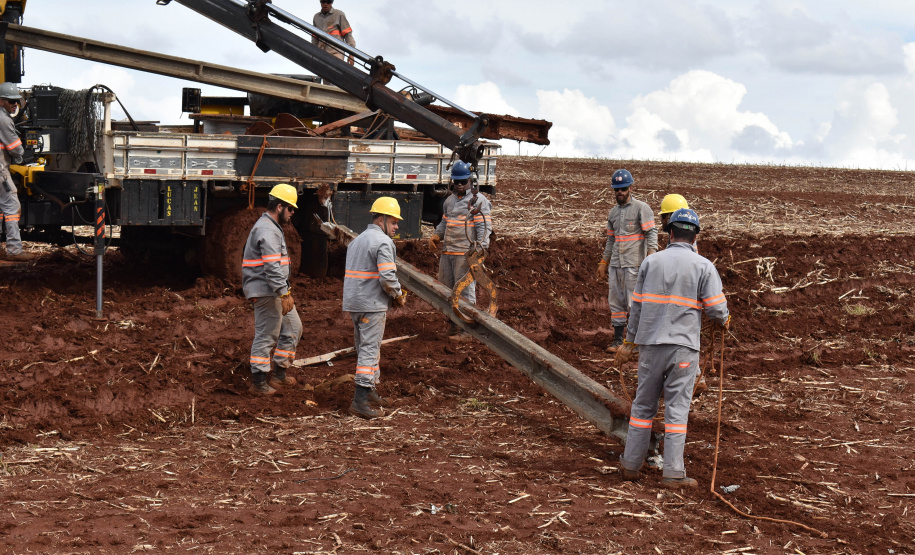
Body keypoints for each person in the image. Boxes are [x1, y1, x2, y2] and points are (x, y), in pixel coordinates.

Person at [615, 208, 730, 489]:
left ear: (670, 233)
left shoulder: (650, 263)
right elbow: (716, 309)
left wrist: (629, 343)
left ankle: (630, 465)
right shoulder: (704, 266)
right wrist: (725, 319)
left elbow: (637, 309)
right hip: (683, 348)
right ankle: (673, 473)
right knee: (677, 411)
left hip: (650, 347)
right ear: (695, 237)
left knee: (642, 407)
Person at [342, 196, 408, 419]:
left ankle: (370, 392)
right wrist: (398, 295)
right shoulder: (382, 242)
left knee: (365, 347)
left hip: (355, 303)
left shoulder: (358, 240)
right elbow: (388, 277)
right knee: (370, 349)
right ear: (381, 220)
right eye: (393, 222)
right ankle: (359, 401)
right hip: (372, 303)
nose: (397, 227)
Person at [242, 184, 303, 395]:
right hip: (267, 291)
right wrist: (283, 292)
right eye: (291, 209)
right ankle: (258, 383)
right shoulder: (268, 230)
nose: (292, 213)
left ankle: (278, 376)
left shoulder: (271, 227)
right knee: (266, 335)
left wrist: (283, 291)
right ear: (279, 207)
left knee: (293, 328)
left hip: (275, 291)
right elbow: (271, 266)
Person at [428, 160, 492, 338]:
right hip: (448, 251)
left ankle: (467, 329)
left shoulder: (478, 201)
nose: (460, 185)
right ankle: (454, 325)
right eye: (456, 182)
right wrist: (436, 236)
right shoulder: (449, 201)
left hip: (465, 254)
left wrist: (480, 251)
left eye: (463, 182)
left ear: (471, 180)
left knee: (463, 291)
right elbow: (444, 223)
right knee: (447, 290)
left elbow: (483, 229)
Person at [597, 169, 657, 352]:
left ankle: (636, 343)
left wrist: (651, 257)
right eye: (616, 189)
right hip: (616, 265)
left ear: (631, 187)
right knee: (616, 303)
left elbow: (651, 233)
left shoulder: (642, 208)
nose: (620, 192)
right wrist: (604, 262)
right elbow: (610, 240)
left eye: (623, 189)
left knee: (635, 304)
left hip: (634, 265)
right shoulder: (613, 213)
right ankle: (617, 341)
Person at [0, 82, 34, 262]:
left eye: (16, 101)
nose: (14, 105)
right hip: (0, 172)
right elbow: (16, 149)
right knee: (12, 206)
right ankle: (14, 249)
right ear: (1, 101)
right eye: (10, 101)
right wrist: (22, 154)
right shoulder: (3, 119)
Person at [312, 0, 356, 65]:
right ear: (320, 2)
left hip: (336, 52)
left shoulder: (339, 14)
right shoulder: (316, 17)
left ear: (332, 2)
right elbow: (315, 38)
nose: (325, 4)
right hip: (321, 52)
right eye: (323, 2)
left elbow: (348, 34)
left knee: (335, 72)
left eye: (328, 2)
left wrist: (351, 54)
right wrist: (313, 51)